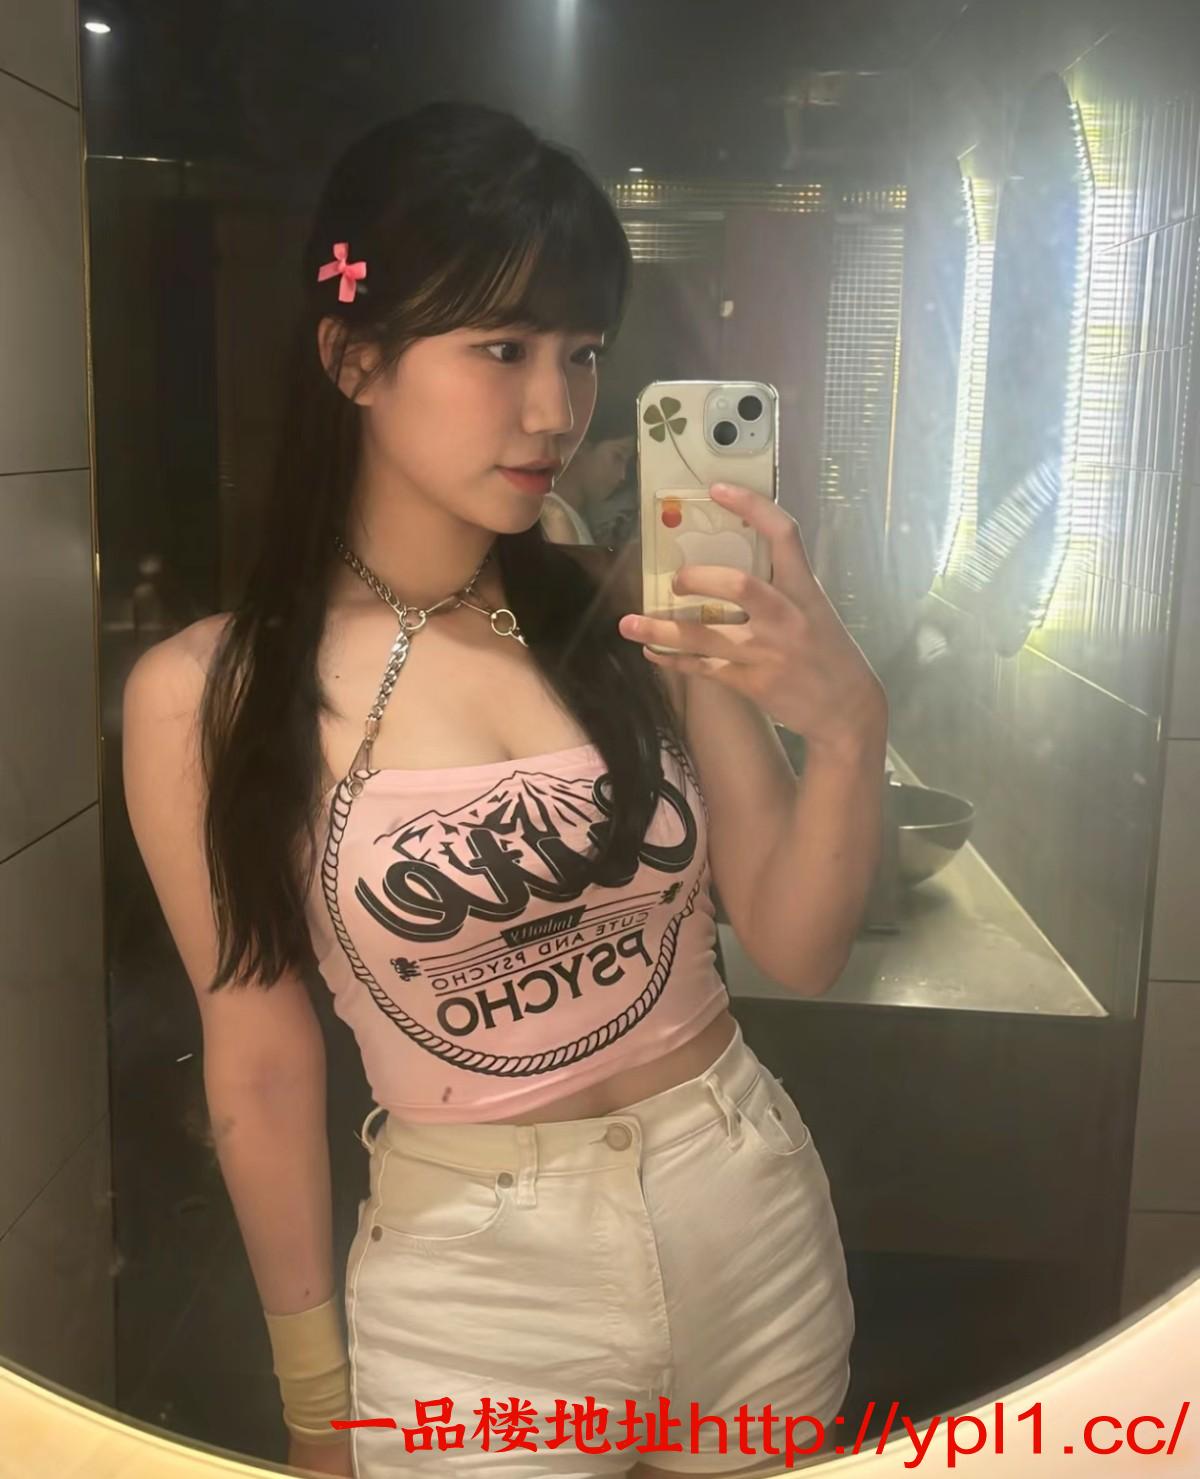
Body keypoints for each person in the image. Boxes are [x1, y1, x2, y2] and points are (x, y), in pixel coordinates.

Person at [122, 101, 888, 1479]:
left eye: (581, 352)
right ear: (353, 356)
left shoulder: (632, 611)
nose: (555, 409)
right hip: (473, 1291)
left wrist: (849, 730)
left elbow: (799, 941)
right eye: (501, 348)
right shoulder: (210, 692)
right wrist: (316, 1403)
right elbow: (263, 1064)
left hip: (747, 1218)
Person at [539, 417, 637, 546]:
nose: (622, 475)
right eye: (617, 457)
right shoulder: (555, 517)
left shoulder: (578, 516)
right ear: (581, 446)